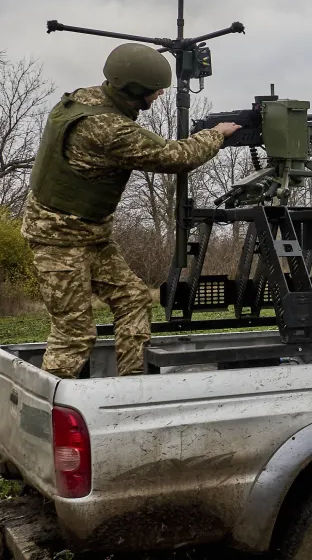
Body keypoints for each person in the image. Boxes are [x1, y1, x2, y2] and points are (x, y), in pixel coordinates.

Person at [21, 43, 240, 379]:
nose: (159, 97)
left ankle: (131, 385)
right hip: (59, 240)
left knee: (134, 299)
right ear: (133, 89)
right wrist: (216, 134)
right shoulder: (107, 129)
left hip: (89, 233)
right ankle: (46, 415)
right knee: (73, 335)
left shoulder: (84, 98)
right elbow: (173, 157)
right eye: (154, 92)